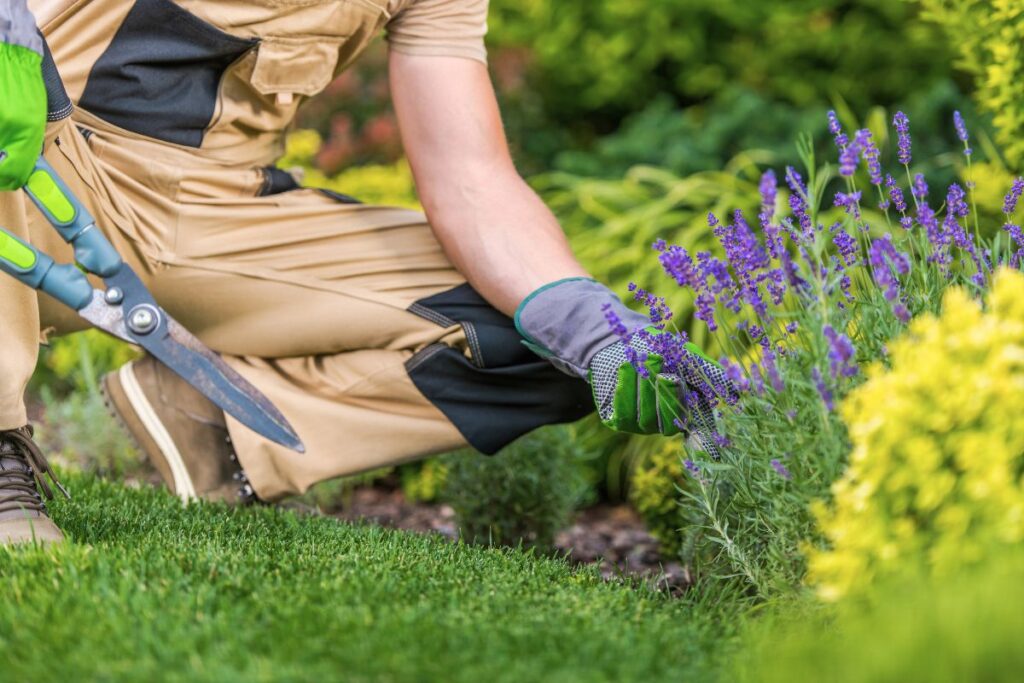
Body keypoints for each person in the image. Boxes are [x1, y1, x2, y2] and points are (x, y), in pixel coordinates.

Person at [0, 0, 719, 545]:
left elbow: (471, 176)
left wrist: (590, 325)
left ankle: (215, 424)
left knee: (529, 332)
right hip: (44, 152)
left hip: (218, 211)